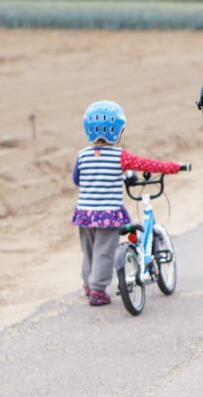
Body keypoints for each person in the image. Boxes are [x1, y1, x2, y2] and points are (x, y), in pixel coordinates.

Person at [72, 100, 182, 306]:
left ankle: (88, 283)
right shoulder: (119, 156)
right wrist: (172, 167)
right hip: (108, 214)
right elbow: (147, 164)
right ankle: (98, 290)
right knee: (104, 252)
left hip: (84, 212)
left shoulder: (82, 155)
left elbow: (76, 179)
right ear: (117, 131)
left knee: (89, 250)